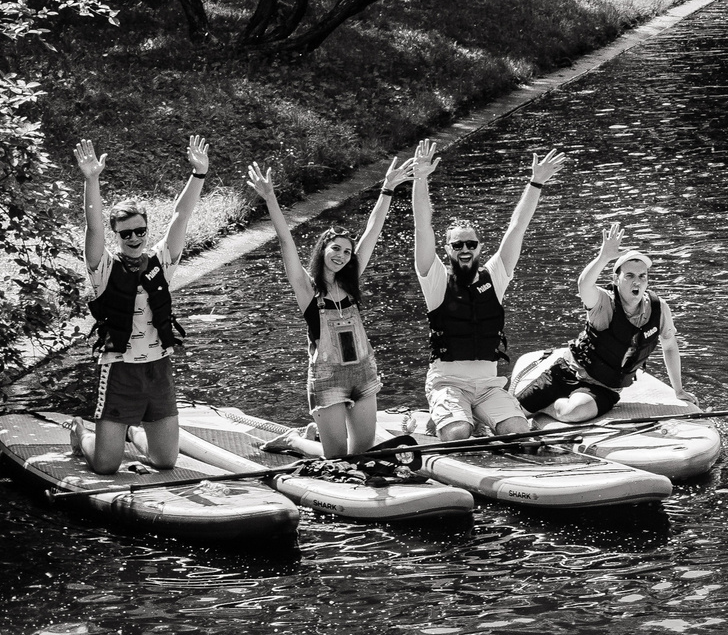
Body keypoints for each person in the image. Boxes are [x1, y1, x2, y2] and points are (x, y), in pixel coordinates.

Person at [245, 154, 413, 457]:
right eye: (336, 248)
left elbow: (372, 231)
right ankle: (294, 441)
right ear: (323, 249)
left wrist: (387, 188)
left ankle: (315, 430)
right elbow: (286, 241)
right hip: (327, 379)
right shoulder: (306, 289)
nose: (343, 255)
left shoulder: (350, 284)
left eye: (348, 252)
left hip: (362, 373)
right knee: (336, 458)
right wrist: (270, 197)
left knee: (361, 452)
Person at [410, 139, 566, 441]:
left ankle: (480, 419)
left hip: (489, 385)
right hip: (447, 383)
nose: (465, 249)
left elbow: (517, 227)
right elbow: (422, 227)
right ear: (447, 249)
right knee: (458, 434)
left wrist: (535, 182)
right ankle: (447, 420)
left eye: (471, 244)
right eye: (457, 245)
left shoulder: (495, 276)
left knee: (517, 431)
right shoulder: (435, 278)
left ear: (480, 247)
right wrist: (420, 177)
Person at [76, 134, 208, 474]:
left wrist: (198, 174)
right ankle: (81, 433)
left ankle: (134, 432)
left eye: (140, 231)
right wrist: (92, 179)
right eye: (126, 233)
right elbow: (93, 227)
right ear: (117, 236)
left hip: (158, 368)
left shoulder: (161, 260)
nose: (134, 238)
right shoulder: (103, 268)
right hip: (120, 369)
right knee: (106, 466)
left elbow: (180, 216)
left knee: (165, 461)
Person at [516, 223, 685, 422]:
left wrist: (679, 390)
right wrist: (604, 257)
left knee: (573, 412)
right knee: (513, 415)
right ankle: (534, 406)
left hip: (603, 387)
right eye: (629, 276)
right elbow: (583, 284)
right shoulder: (604, 302)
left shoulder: (659, 309)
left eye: (642, 276)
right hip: (566, 372)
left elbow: (670, 347)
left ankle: (547, 409)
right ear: (616, 279)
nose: (636, 282)